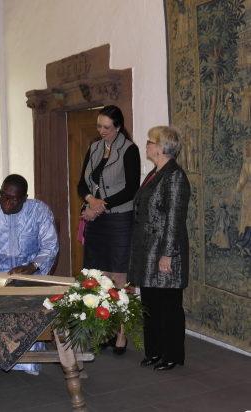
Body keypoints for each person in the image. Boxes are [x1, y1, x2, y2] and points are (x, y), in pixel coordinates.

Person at [0, 174, 59, 376]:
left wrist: (33, 266)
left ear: (25, 198)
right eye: (3, 196)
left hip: (29, 275)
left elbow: (50, 247)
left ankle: (28, 362)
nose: (7, 202)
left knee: (27, 303)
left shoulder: (39, 211)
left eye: (13, 199)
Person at [77, 105, 141, 355]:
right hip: (97, 221)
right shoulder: (94, 147)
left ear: (118, 127)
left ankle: (122, 334)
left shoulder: (129, 149)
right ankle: (105, 330)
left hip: (119, 220)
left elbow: (131, 188)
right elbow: (82, 183)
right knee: (100, 278)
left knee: (119, 278)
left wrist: (99, 206)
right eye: (99, 126)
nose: (101, 131)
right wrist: (90, 200)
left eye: (106, 127)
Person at [128, 125, 190, 371]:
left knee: (169, 307)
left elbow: (175, 219)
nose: (147, 145)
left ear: (162, 148)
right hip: (147, 250)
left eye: (150, 142)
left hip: (165, 252)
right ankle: (154, 351)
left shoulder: (175, 176)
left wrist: (167, 254)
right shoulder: (155, 173)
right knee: (151, 305)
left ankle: (172, 355)